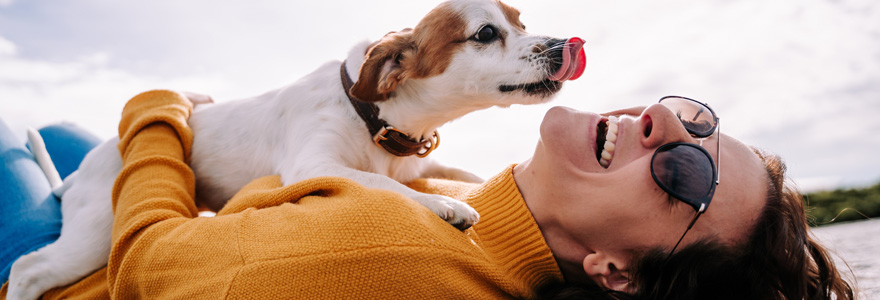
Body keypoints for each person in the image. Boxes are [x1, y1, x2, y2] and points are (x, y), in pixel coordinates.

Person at [0, 90, 854, 299]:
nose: (668, 129)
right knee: (75, 145)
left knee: (16, 134)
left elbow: (149, 264)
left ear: (614, 272)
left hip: (80, 275)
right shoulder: (467, 204)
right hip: (173, 216)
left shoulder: (393, 255)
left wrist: (158, 114)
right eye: (695, 118)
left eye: (686, 177)